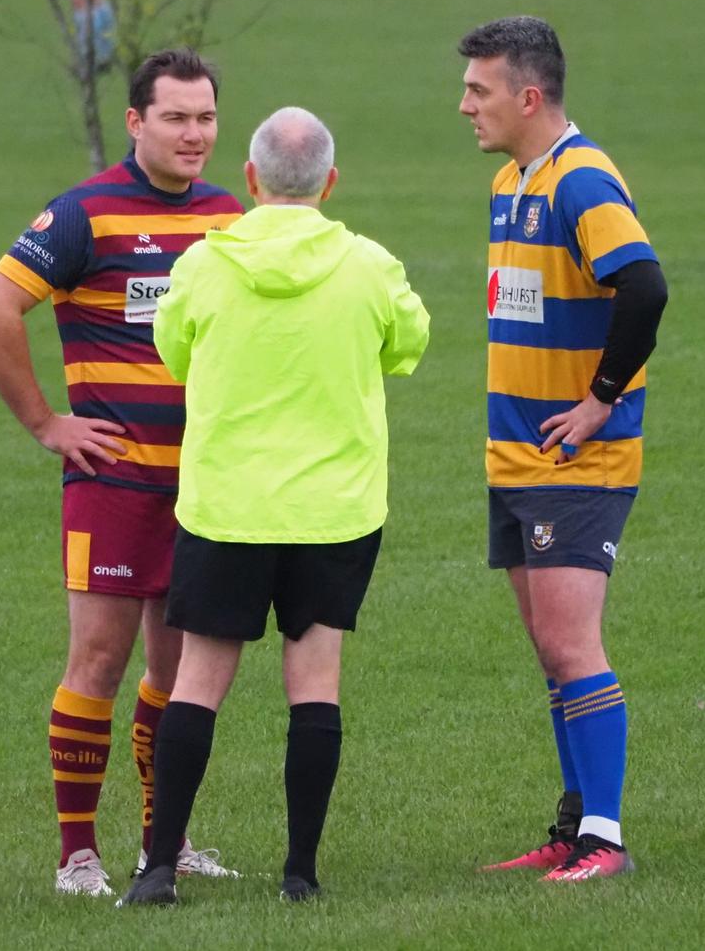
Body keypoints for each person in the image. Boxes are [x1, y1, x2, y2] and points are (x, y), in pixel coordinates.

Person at [117, 107, 430, 908]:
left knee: (197, 680)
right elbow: (408, 347)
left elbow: (174, 351)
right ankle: (300, 873)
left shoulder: (204, 263)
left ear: (250, 181)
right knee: (314, 681)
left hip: (227, 504)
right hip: (334, 509)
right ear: (330, 183)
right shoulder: (369, 265)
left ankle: (158, 870)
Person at [0, 49, 245, 898]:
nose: (194, 134)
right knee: (98, 660)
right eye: (176, 118)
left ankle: (167, 842)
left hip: (200, 486)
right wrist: (48, 424)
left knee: (175, 673)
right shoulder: (84, 213)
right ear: (136, 122)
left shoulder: (230, 216)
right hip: (114, 483)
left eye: (205, 118)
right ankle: (76, 857)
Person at [457, 16, 668, 883]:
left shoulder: (582, 179)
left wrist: (598, 403)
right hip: (516, 459)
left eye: (480, 90)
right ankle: (575, 821)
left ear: (528, 96)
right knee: (551, 650)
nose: (464, 104)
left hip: (576, 462)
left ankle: (606, 841)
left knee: (575, 645)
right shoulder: (514, 178)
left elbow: (645, 287)